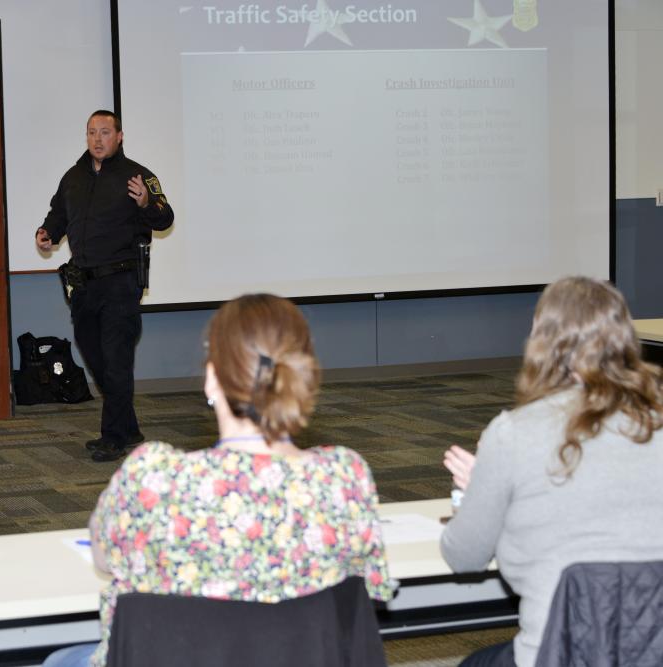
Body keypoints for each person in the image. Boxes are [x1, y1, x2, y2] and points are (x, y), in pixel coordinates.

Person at [43, 294, 394, 666]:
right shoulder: (344, 479)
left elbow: (106, 559)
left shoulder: (153, 478)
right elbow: (365, 589)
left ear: (212, 380)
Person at [440, 276, 663, 667]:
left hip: (555, 655)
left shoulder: (513, 433)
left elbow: (464, 557)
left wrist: (478, 492)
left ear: (542, 342)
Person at [36, 109, 174, 462]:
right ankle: (129, 428)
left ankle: (112, 437)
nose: (97, 139)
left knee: (116, 360)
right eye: (92, 133)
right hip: (83, 285)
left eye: (105, 132)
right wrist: (48, 233)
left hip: (120, 283)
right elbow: (58, 215)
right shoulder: (73, 177)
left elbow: (164, 215)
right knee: (95, 356)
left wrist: (145, 202)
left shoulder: (137, 175)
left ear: (120, 136)